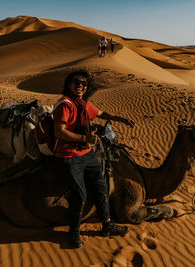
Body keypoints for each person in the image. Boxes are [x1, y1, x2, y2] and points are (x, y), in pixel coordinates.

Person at [53, 69, 135, 248]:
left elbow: (101, 114)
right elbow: (59, 131)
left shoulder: (83, 103)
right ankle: (73, 233)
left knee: (101, 186)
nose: (80, 86)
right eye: (76, 82)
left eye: (83, 83)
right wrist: (85, 139)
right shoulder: (65, 104)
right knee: (79, 194)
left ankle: (107, 224)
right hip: (69, 155)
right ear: (69, 84)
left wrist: (121, 119)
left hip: (86, 153)